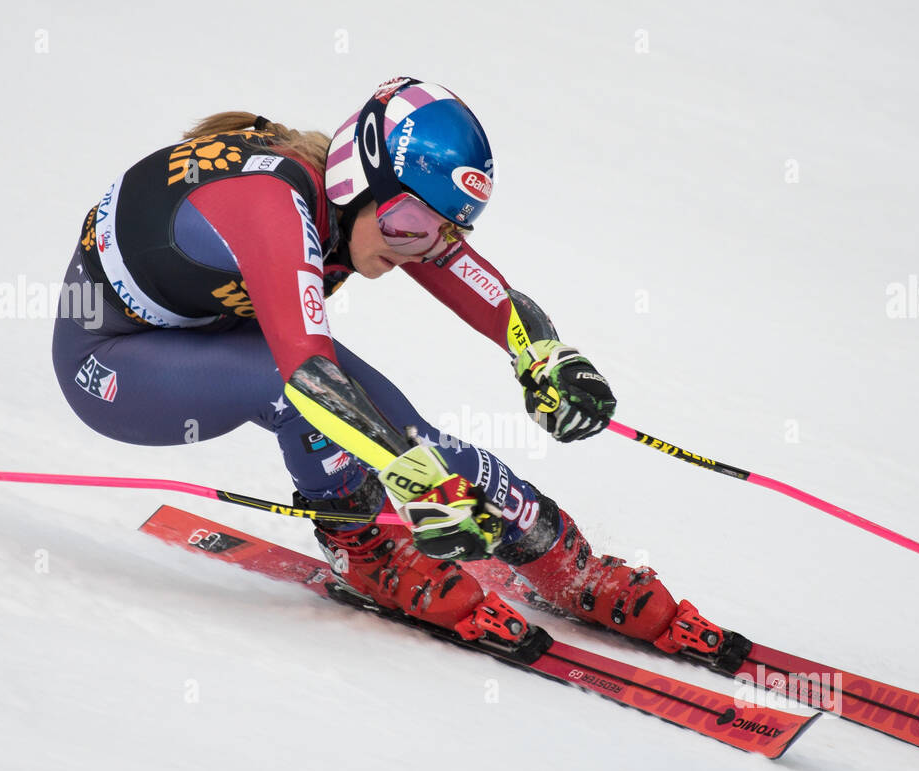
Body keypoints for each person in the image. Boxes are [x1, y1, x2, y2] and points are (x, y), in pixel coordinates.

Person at [52, 75, 722, 655]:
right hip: (111, 361)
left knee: (418, 437)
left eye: (439, 230)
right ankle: (363, 550)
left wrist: (543, 355)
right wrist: (416, 485)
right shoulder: (274, 208)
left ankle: (567, 563)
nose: (416, 246)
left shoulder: (373, 211)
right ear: (357, 177)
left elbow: (483, 290)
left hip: (217, 328)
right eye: (405, 222)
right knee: (300, 391)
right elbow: (309, 379)